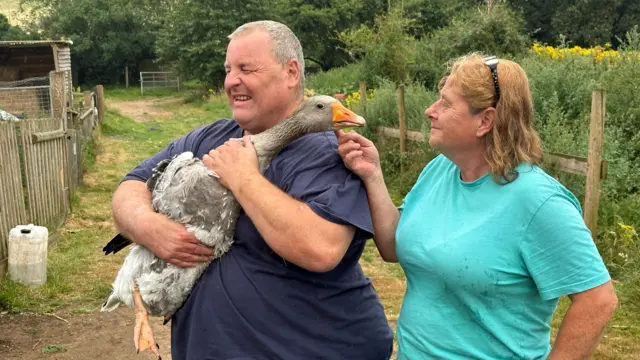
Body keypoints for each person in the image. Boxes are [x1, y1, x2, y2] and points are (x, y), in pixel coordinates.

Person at [111, 20, 394, 360]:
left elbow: (320, 249)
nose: (231, 81)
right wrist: (148, 226)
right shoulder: (210, 137)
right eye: (229, 69)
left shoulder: (330, 154)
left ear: (291, 73)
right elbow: (133, 184)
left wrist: (243, 178)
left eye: (246, 68)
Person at [336, 53, 618, 359]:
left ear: (485, 120)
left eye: (445, 104)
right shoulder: (440, 170)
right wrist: (373, 175)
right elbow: (392, 247)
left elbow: (597, 300)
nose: (431, 111)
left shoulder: (538, 201)